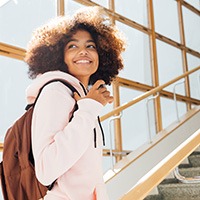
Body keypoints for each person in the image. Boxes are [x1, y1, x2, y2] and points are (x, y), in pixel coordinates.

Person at [24, 6, 126, 200]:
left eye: (91, 46)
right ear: (57, 56)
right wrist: (88, 110)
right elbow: (46, 169)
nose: (83, 52)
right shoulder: (56, 92)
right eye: (72, 46)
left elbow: (87, 173)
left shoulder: (80, 97)